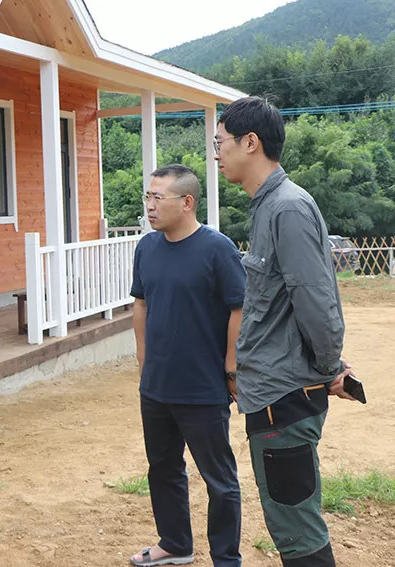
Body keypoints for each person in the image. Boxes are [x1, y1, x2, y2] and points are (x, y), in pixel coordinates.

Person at [214, 96, 359, 567]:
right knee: (289, 519)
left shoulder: (287, 209)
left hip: (286, 397)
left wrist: (329, 368)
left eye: (220, 143)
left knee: (297, 528)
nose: (216, 153)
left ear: (250, 143)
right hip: (272, 393)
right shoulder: (268, 206)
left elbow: (316, 303)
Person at [128, 165, 246, 567]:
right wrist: (144, 360)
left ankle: (226, 559)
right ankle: (175, 543)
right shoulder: (146, 247)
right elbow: (140, 304)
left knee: (220, 480)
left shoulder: (218, 249)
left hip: (202, 387)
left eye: (158, 198)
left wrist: (231, 367)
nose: (150, 206)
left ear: (187, 202)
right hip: (157, 386)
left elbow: (239, 308)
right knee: (162, 468)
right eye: (148, 197)